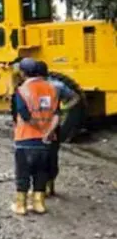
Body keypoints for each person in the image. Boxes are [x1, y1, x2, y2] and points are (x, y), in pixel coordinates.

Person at [11, 57, 60, 215]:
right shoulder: (52, 89)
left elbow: (24, 115)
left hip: (25, 138)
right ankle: (39, 204)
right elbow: (57, 115)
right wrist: (48, 131)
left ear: (23, 73)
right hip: (46, 141)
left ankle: (21, 205)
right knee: (41, 172)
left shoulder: (22, 90)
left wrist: (38, 128)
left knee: (23, 172)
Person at [36, 60, 81, 197]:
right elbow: (75, 98)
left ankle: (41, 189)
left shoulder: (30, 87)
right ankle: (50, 186)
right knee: (52, 156)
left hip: (37, 126)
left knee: (38, 157)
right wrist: (63, 109)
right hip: (53, 127)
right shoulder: (58, 85)